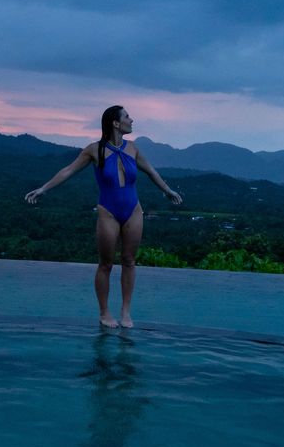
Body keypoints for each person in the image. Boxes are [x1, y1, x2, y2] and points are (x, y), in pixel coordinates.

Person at [25, 105, 183, 328]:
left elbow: (152, 172)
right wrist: (43, 189)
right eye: (127, 116)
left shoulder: (133, 149)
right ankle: (104, 312)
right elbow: (69, 170)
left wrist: (168, 190)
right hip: (108, 211)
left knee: (129, 261)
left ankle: (126, 312)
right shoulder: (94, 150)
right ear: (116, 123)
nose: (132, 119)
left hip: (133, 210)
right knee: (106, 264)